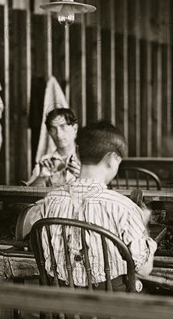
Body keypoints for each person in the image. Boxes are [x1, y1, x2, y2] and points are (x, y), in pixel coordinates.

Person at [37, 121, 156, 290]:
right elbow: (144, 270)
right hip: (109, 310)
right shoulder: (124, 207)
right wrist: (143, 226)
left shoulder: (50, 200)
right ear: (113, 159)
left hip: (61, 306)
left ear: (77, 153)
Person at [25, 108, 81, 186]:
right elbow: (28, 194)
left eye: (63, 127)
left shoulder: (87, 159)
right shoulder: (45, 162)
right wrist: (42, 177)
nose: (58, 134)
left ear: (75, 129)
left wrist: (83, 176)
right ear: (49, 133)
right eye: (53, 129)